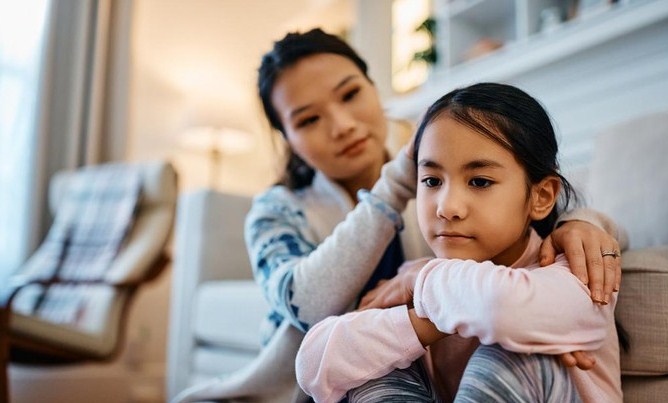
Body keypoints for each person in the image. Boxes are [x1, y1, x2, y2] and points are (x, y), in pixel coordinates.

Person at [173, 29, 625, 403]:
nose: (342, 124)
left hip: (455, 350)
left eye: (350, 95)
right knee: (366, 377)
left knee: (508, 355)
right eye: (309, 120)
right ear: (288, 138)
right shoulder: (279, 212)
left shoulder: (459, 177)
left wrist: (580, 224)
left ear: (375, 90)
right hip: (320, 384)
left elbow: (549, 208)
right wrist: (397, 185)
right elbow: (310, 314)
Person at [295, 83, 622, 402]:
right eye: (431, 181)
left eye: (480, 181)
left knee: (516, 358)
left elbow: (501, 307)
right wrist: (422, 319)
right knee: (371, 369)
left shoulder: (579, 272)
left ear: (541, 196)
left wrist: (419, 284)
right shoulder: (423, 281)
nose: (446, 207)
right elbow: (313, 361)